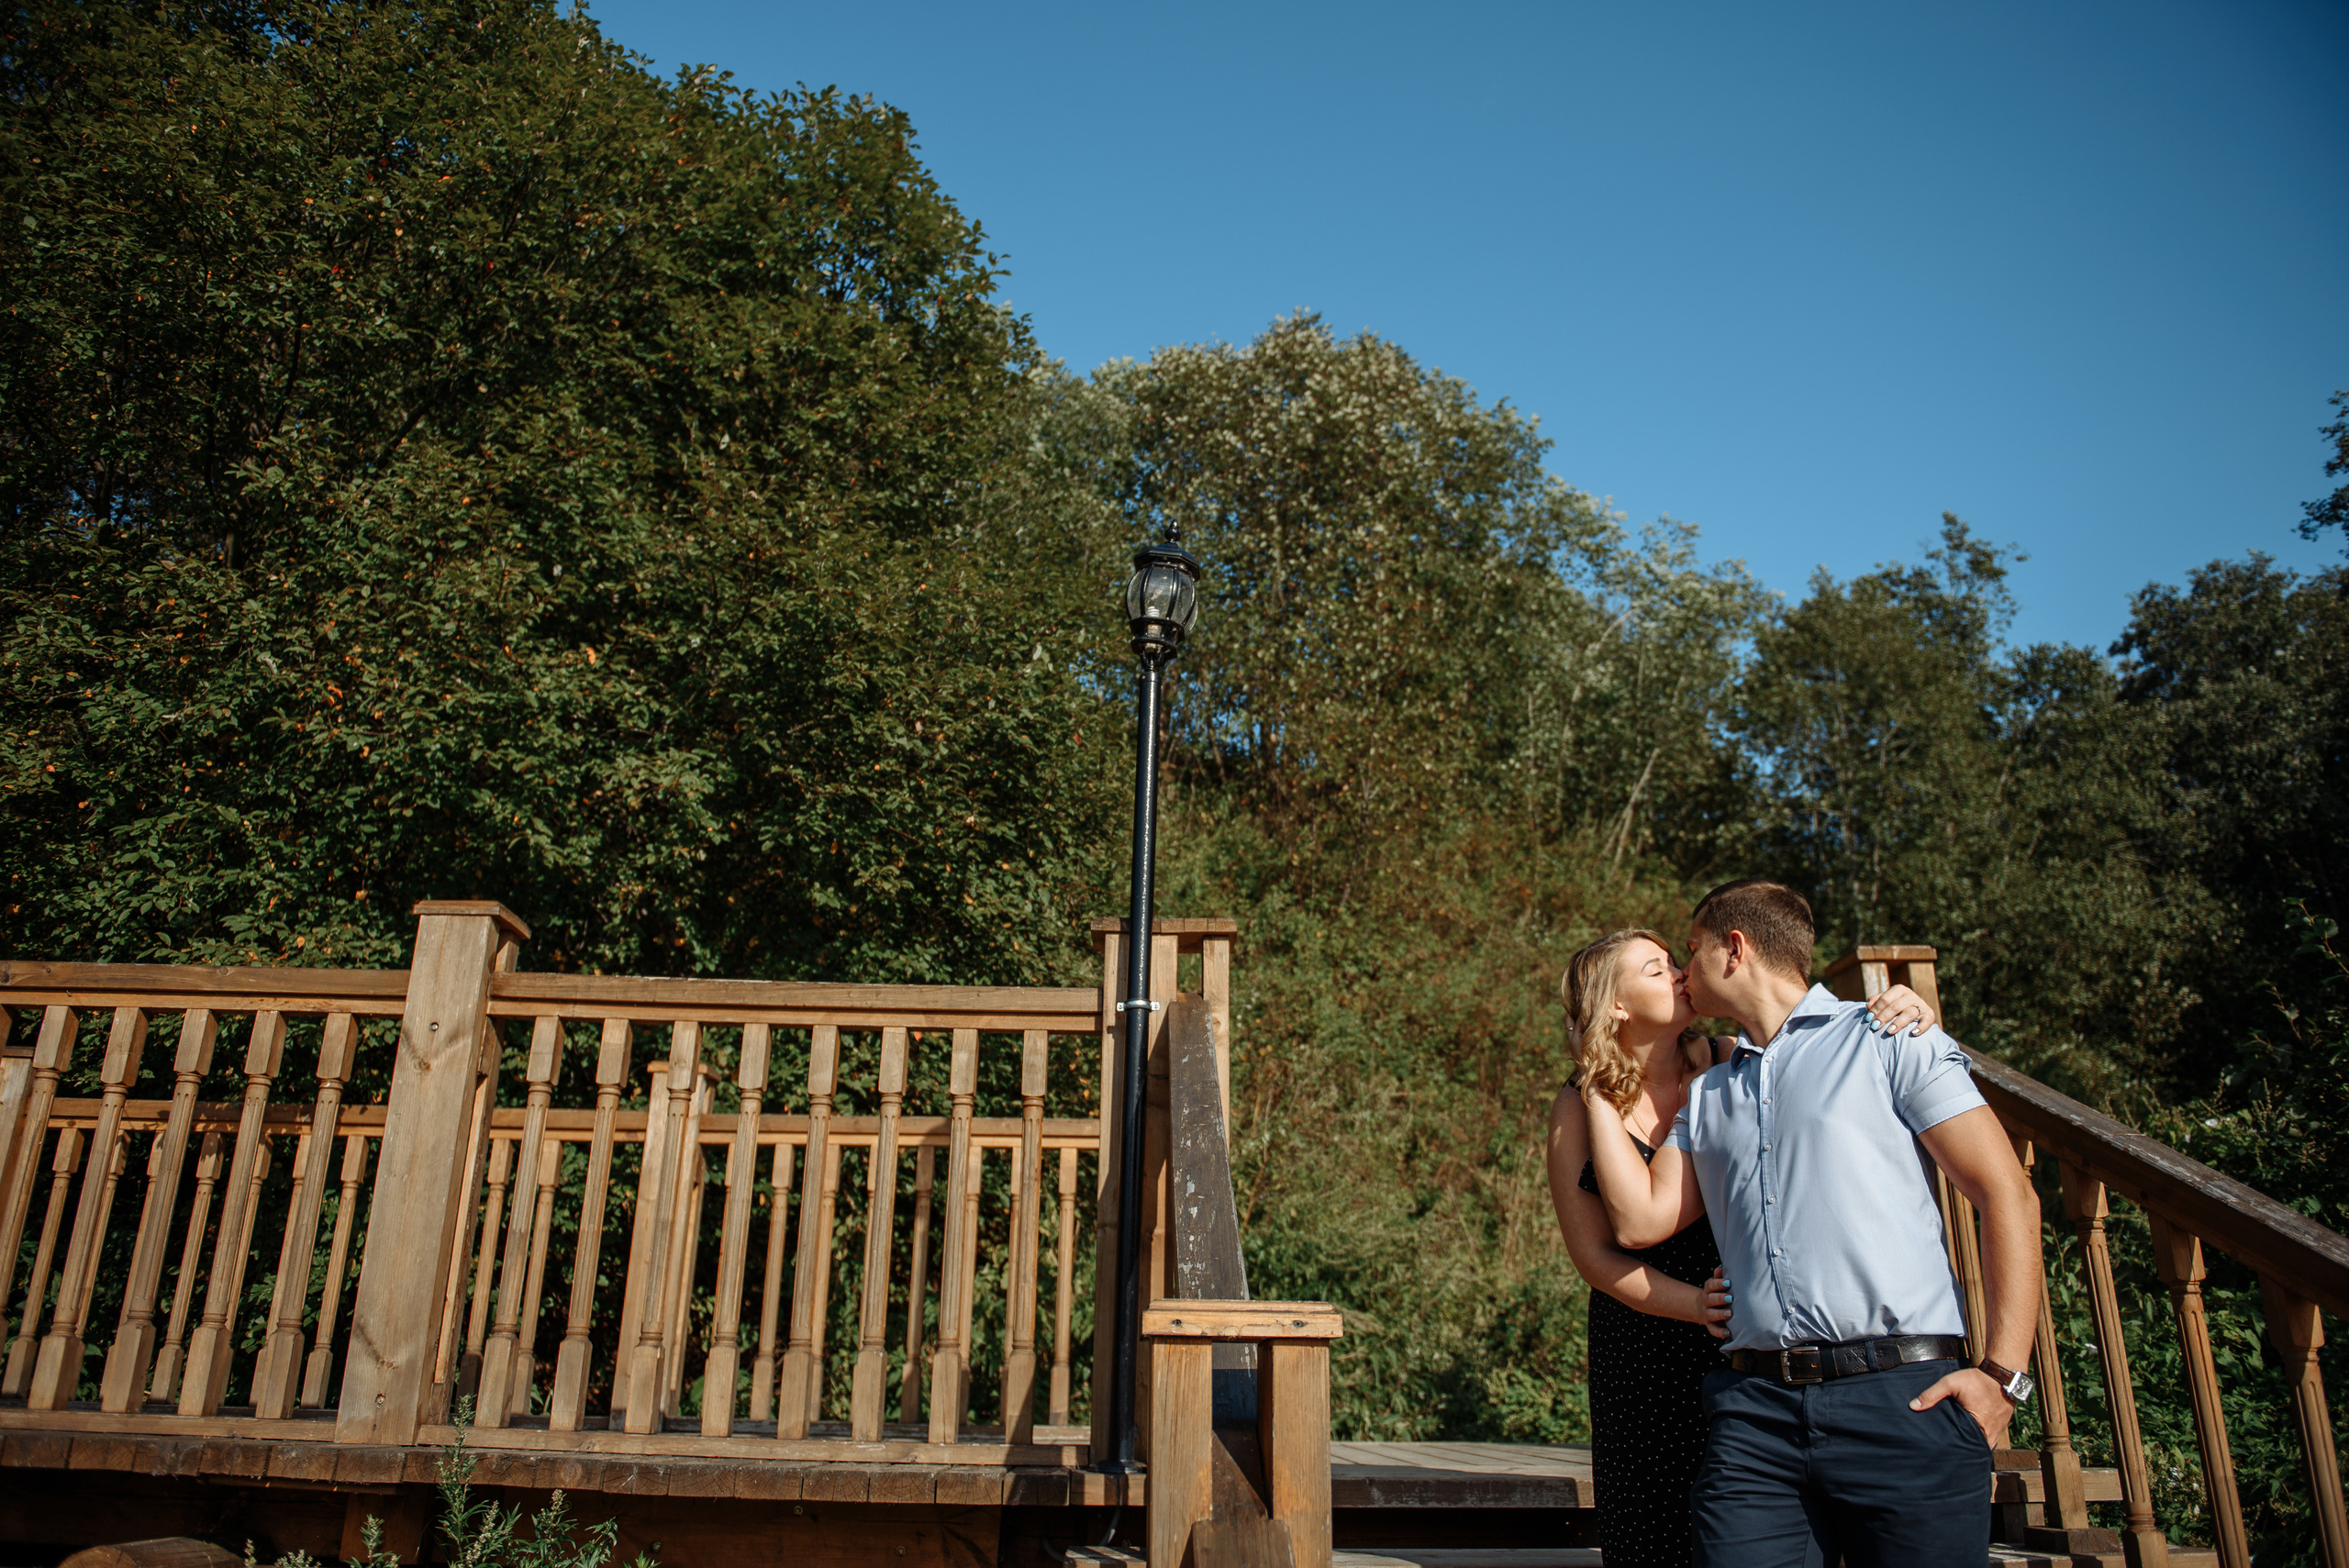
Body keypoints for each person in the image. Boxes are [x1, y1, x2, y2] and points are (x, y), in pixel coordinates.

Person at [1583, 880, 2042, 1568]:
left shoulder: (1890, 1038)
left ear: (1734, 950)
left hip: (1903, 1401)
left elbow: (2007, 1193)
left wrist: (2003, 1376)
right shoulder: (1709, 1093)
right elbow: (1641, 1218)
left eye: (1694, 949)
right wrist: (1592, 1067)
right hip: (1753, 1415)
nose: (1683, 968)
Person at [1545, 927, 1938, 1568]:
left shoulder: (1734, 1058)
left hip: (1748, 1334)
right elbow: (1598, 1253)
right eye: (1655, 968)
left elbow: (1823, 1046)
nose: (1678, 972)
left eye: (1676, 961)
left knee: (1747, 1528)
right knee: (1654, 1533)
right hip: (1643, 1332)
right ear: (1613, 1005)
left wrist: (1908, 1007)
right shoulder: (1575, 1103)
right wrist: (1691, 1305)